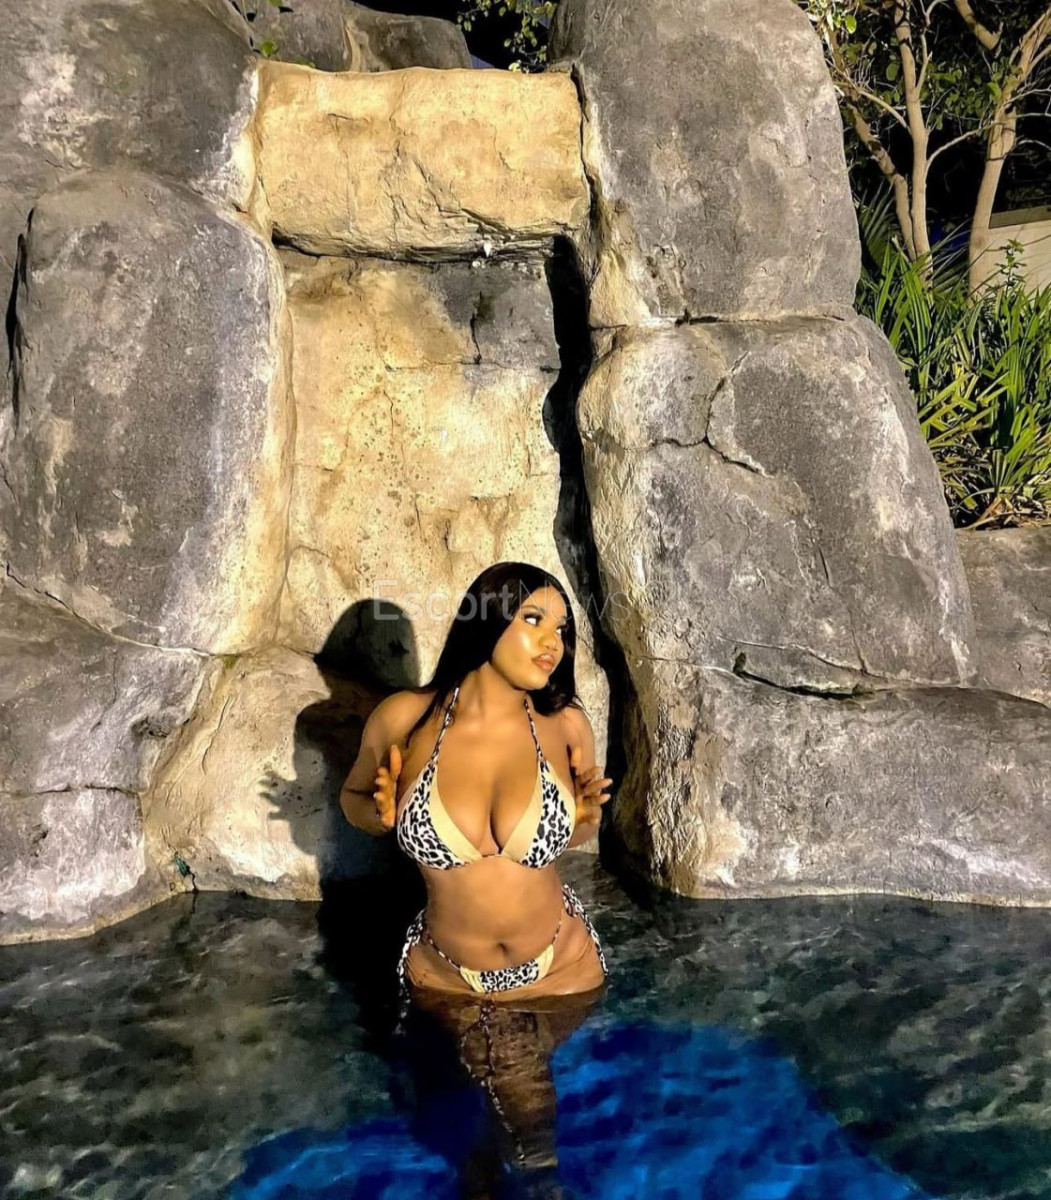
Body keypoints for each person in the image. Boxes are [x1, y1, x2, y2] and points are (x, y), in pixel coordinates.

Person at [338, 560, 611, 1005]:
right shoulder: (404, 718)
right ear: (487, 618)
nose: (553, 642)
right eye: (533, 619)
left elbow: (570, 839)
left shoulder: (566, 724)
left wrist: (584, 821)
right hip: (443, 976)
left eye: (561, 629)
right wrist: (377, 815)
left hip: (565, 969)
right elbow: (352, 798)